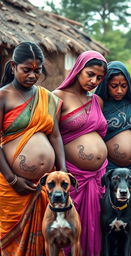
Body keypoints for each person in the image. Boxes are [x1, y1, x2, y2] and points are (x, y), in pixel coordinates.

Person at [0, 42, 66, 255]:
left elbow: (55, 135)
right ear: (13, 66)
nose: (32, 75)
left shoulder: (47, 97)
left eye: (37, 71)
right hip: (11, 187)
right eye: (26, 70)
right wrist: (12, 179)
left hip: (42, 186)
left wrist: (62, 170)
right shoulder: (3, 97)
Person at [53, 50, 108, 256]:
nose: (94, 81)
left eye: (99, 78)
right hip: (73, 175)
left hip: (97, 176)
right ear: (78, 70)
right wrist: (62, 169)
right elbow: (52, 134)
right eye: (90, 74)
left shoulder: (97, 101)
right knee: (67, 227)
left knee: (92, 227)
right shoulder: (58, 97)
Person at [95, 61, 131, 172]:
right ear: (105, 84)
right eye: (114, 86)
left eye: (124, 86)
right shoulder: (99, 104)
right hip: (110, 166)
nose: (119, 91)